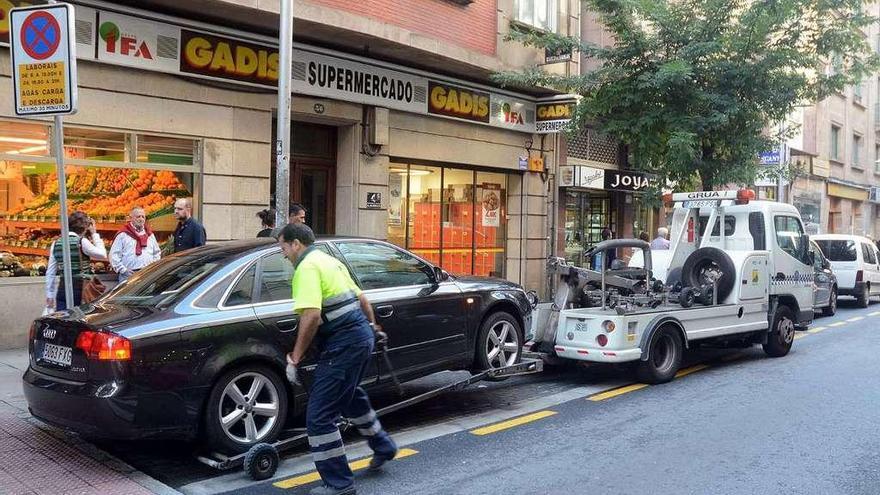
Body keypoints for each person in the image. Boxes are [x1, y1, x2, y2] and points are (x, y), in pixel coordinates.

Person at [279, 223, 397, 495]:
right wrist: (373, 328)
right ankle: (383, 445)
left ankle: (339, 484)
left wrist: (295, 358)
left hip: (343, 344)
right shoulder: (329, 261)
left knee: (319, 417)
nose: (283, 254)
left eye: (283, 247)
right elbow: (362, 299)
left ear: (297, 244)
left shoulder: (306, 268)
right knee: (351, 395)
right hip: (359, 337)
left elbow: (311, 316)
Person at [45, 211, 108, 311]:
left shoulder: (56, 243)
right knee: (79, 318)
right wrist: (94, 234)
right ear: (85, 228)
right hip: (80, 287)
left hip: (63, 286)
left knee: (62, 318)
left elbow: (50, 272)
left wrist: (50, 295)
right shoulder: (81, 242)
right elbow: (102, 254)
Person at [110, 206, 161, 282]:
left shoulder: (150, 234)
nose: (141, 219)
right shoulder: (123, 234)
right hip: (128, 275)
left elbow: (157, 252)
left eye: (143, 217)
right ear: (131, 218)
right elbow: (114, 255)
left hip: (147, 274)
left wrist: (152, 267)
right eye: (138, 217)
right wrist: (123, 270)